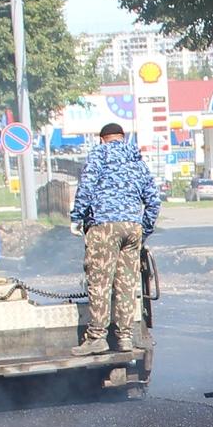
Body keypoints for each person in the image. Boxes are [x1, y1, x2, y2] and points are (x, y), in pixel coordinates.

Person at [69, 123, 160, 354]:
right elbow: (153, 201)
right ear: (123, 137)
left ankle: (97, 338)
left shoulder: (99, 154)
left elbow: (87, 186)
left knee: (100, 283)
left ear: (102, 139)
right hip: (133, 227)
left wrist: (77, 216)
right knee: (126, 284)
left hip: (104, 226)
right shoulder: (137, 160)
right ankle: (125, 338)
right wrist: (145, 230)